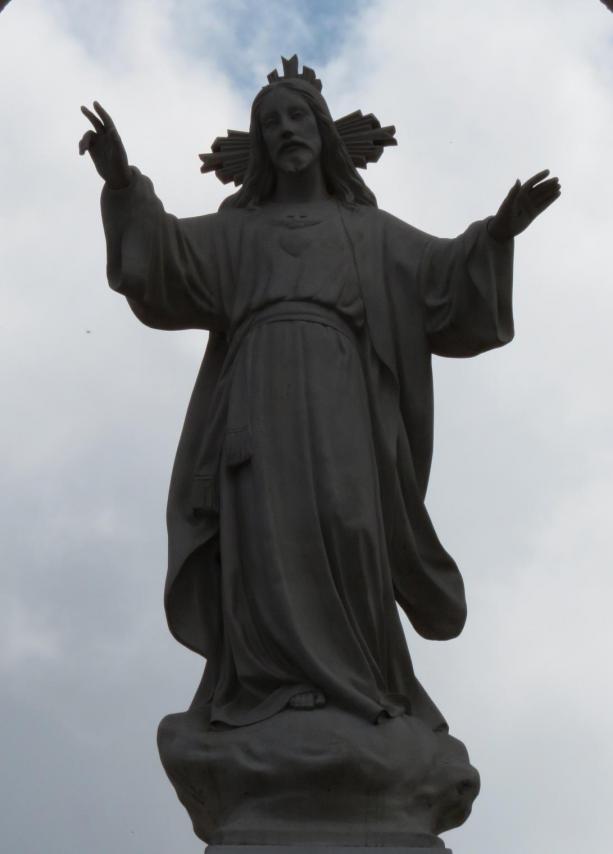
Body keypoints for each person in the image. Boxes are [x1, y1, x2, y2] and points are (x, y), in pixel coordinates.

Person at [79, 59, 560, 734]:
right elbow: (165, 257)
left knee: (349, 522)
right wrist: (122, 183)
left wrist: (499, 231)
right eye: (271, 122)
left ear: (323, 131)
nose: (285, 130)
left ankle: (361, 680)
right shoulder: (238, 230)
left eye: (297, 116)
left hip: (343, 401)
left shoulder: (368, 230)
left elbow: (440, 275)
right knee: (265, 532)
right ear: (259, 144)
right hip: (255, 400)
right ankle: (272, 686)